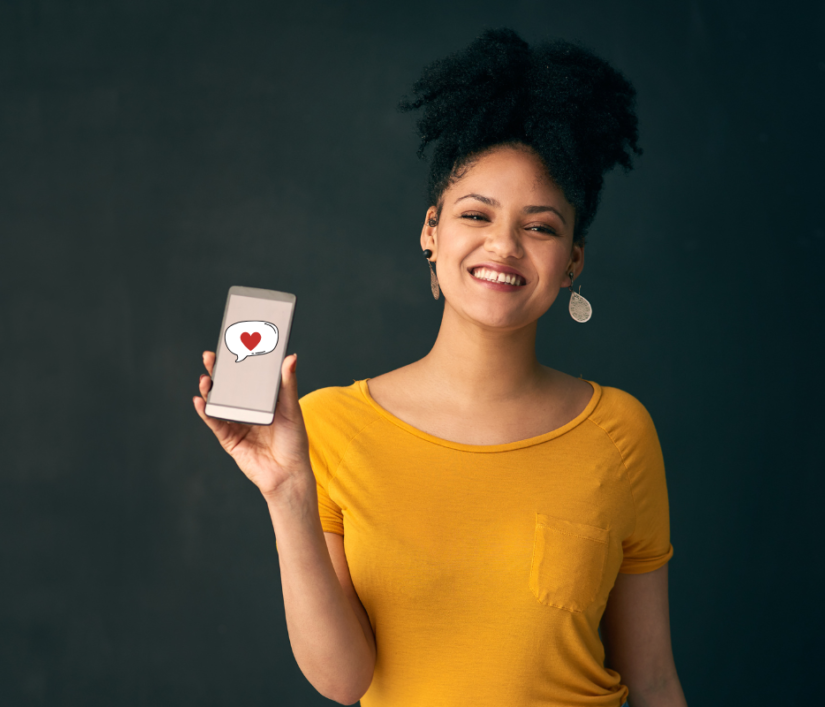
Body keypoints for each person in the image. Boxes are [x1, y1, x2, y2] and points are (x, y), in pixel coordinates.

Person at [193, 27, 686, 707]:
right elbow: (345, 681)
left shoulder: (621, 433)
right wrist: (287, 493)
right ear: (432, 231)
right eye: (476, 214)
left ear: (574, 258)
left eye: (540, 226)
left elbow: (654, 678)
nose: (503, 245)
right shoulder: (325, 429)